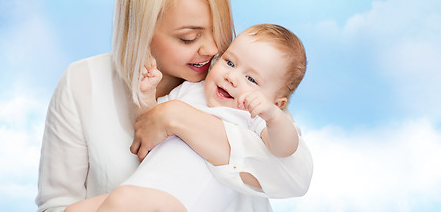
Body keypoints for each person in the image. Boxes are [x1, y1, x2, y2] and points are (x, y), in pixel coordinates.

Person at [36, 0, 313, 211]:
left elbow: (294, 175)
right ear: (141, 30)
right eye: (188, 38)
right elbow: (146, 124)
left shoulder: (250, 93)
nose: (214, 49)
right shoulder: (82, 82)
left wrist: (176, 117)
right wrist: (150, 102)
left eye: (219, 29)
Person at [72, 23, 308, 212]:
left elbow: (284, 149)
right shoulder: (190, 91)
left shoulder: (253, 118)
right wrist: (146, 96)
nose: (232, 77)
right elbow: (148, 125)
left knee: (123, 200)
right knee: (77, 209)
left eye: (252, 79)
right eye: (229, 62)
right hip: (145, 185)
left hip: (181, 200)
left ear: (278, 103)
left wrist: (274, 117)